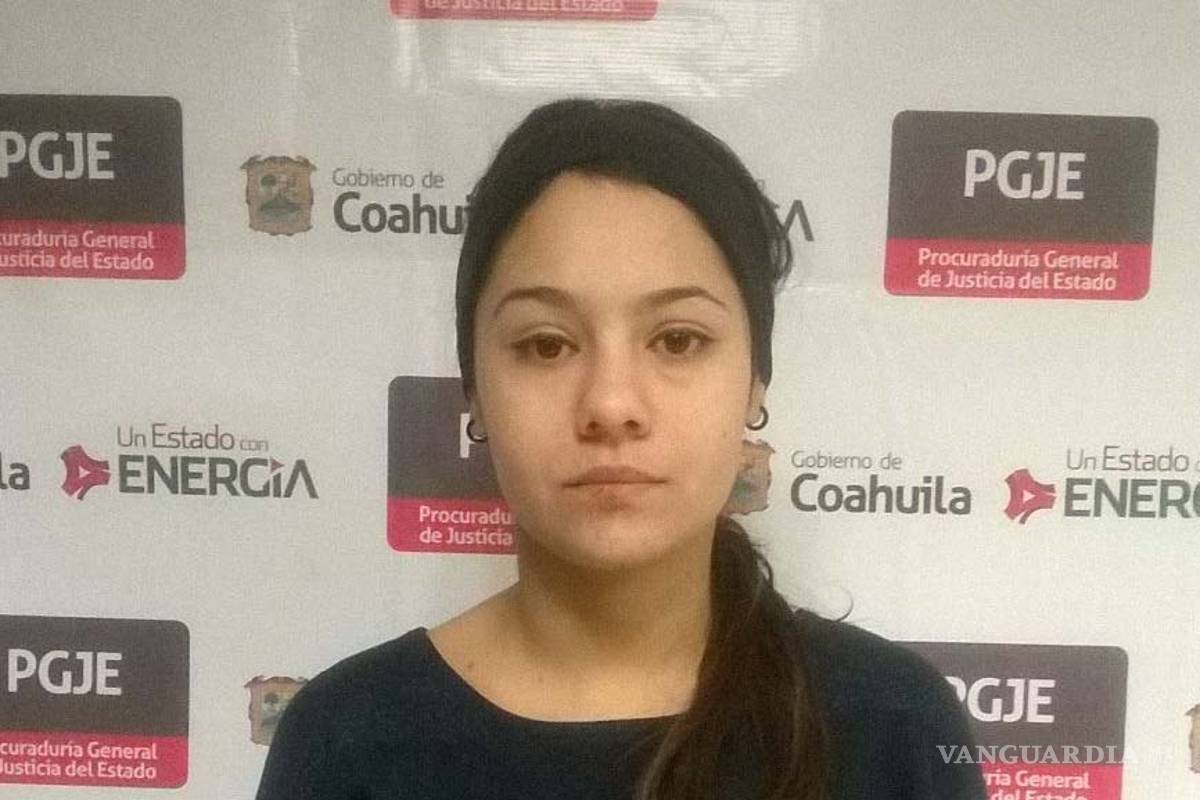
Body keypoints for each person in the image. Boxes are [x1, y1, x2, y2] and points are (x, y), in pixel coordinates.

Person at [255, 98, 987, 800]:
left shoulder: (892, 729)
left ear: (755, 382)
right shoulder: (349, 740)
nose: (610, 404)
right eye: (547, 345)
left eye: (678, 340)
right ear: (474, 390)